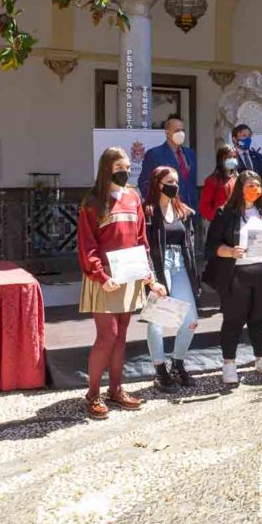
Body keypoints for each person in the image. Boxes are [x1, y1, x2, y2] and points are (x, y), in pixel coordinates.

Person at [78, 147, 167, 419]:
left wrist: (149, 276)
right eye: (119, 167)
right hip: (105, 278)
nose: (125, 171)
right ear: (107, 169)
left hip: (130, 275)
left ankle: (116, 389)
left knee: (122, 336)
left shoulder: (133, 196)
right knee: (108, 335)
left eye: (128, 166)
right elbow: (87, 245)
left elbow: (141, 240)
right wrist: (100, 276)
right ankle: (92, 394)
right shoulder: (92, 202)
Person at [205, 171, 262, 385]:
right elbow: (212, 246)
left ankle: (261, 359)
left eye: (258, 185)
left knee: (259, 320)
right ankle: (229, 364)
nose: (255, 189)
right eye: (250, 185)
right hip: (237, 276)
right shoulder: (226, 213)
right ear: (240, 188)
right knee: (233, 320)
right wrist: (229, 251)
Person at [143, 166, 200, 393]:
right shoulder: (147, 211)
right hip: (159, 264)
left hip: (180, 266)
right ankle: (160, 370)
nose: (174, 185)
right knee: (157, 321)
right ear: (158, 183)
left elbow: (190, 241)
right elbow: (144, 245)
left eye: (176, 181)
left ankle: (177, 363)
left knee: (191, 320)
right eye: (169, 181)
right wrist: (150, 275)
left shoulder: (182, 211)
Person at [137, 116, 197, 208]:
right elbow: (145, 182)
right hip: (167, 209)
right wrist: (154, 204)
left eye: (183, 131)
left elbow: (191, 182)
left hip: (190, 209)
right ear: (167, 133)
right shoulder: (155, 154)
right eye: (177, 130)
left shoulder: (190, 153)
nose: (181, 133)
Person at [232, 123, 262, 199]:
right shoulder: (230, 157)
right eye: (243, 136)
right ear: (234, 139)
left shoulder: (258, 157)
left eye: (249, 136)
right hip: (238, 203)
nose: (247, 139)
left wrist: (260, 198)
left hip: (257, 202)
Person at [199, 146, 238, 221]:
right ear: (221, 159)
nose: (232, 160)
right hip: (218, 223)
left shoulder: (237, 179)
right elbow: (204, 206)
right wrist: (216, 219)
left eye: (234, 157)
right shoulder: (212, 180)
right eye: (229, 157)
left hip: (234, 222)